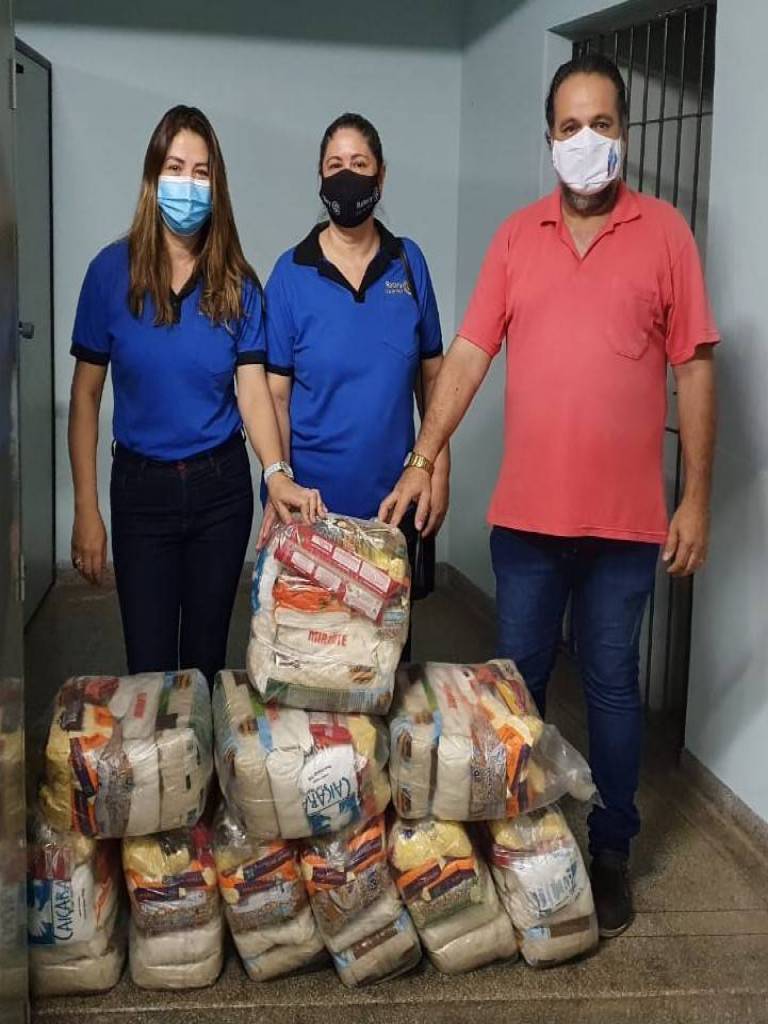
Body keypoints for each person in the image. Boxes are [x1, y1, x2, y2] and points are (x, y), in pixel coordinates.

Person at [380, 54, 719, 936]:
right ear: (549, 138)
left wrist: (696, 498)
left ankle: (610, 850)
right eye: (570, 127)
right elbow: (468, 353)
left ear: (624, 133)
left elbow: (694, 368)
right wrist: (424, 453)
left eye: (601, 124)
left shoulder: (666, 236)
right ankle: (515, 839)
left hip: (625, 527)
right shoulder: (515, 238)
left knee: (610, 686)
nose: (586, 141)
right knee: (517, 687)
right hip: (527, 523)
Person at [69, 105, 323, 684]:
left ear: (217, 185)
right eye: (176, 167)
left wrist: (276, 471)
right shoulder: (109, 274)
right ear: (152, 177)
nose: (188, 183)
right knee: (151, 669)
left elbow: (252, 389)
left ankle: (201, 747)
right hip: (141, 492)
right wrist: (86, 507)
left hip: (219, 492)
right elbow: (85, 397)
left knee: (206, 664)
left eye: (201, 172)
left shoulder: (237, 283)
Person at [259, 113, 449, 655]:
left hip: (393, 509)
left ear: (380, 175)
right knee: (312, 659)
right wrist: (277, 483)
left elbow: (433, 379)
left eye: (359, 164)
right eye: (335, 165)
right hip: (313, 513)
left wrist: (438, 468)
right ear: (320, 178)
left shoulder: (408, 263)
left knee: (383, 660)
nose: (347, 175)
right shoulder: (291, 273)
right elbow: (276, 397)